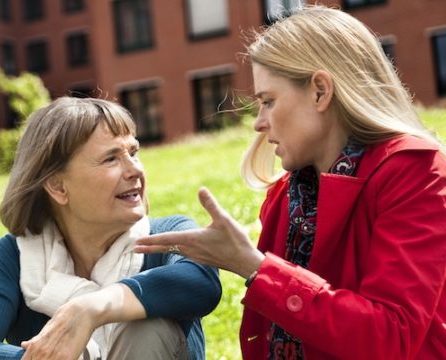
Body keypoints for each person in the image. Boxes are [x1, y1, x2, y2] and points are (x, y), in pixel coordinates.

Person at [135, 5, 446, 359]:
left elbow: (390, 336)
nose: (258, 122)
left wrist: (253, 266)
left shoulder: (414, 169)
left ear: (319, 91)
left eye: (268, 101)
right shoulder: (287, 194)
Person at [0, 97, 221, 360]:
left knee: (144, 326)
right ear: (57, 186)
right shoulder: (15, 256)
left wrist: (91, 308)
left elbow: (202, 282)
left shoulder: (167, 235)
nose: (134, 170)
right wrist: (57, 355)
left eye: (133, 153)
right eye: (111, 159)